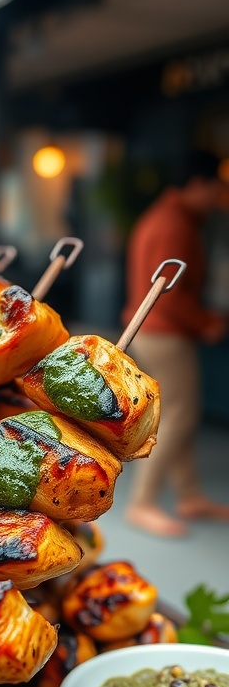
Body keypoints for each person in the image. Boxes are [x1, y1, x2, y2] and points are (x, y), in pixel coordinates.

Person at [123, 151, 229, 538]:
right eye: (216, 188)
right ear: (197, 185)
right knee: (178, 417)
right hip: (166, 333)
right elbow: (166, 293)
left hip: (157, 330)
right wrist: (205, 322)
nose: (219, 196)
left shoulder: (165, 216)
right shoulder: (174, 224)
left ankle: (189, 494)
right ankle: (142, 502)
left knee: (176, 415)